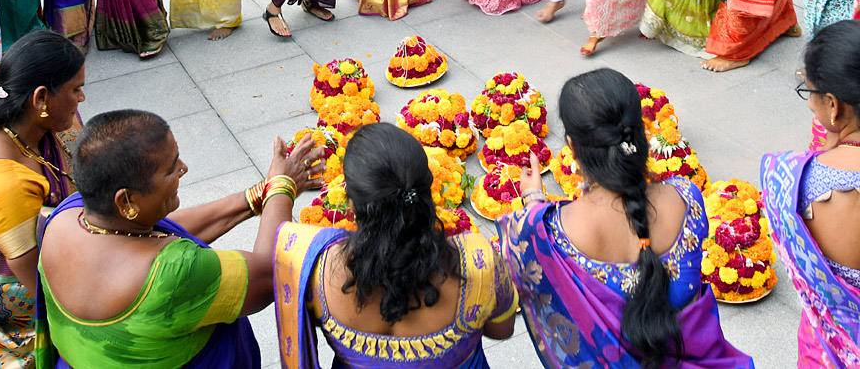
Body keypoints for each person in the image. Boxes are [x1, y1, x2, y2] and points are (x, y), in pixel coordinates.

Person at [502, 67, 756, 369]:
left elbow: (529, 252)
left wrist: (533, 198)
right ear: (640, 133)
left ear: (571, 146)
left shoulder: (549, 230)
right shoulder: (686, 197)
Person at [35, 109, 321, 369]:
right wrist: (282, 187)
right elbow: (269, 272)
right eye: (171, 168)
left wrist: (257, 195)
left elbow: (161, 228)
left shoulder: (67, 215)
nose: (184, 169)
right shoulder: (172, 274)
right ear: (126, 201)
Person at [274, 122, 516, 369]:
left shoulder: (319, 271)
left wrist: (281, 184)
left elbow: (278, 249)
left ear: (353, 207)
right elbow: (502, 329)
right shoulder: (477, 260)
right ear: (426, 195)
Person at [0, 29, 85, 369]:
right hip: (23, 327)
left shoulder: (46, 127)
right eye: (75, 89)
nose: (81, 98)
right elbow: (44, 288)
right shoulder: (4, 185)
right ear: (40, 98)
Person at [761, 21, 860, 368]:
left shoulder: (793, 181)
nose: (809, 104)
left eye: (809, 91)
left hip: (830, 352)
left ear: (833, 105)